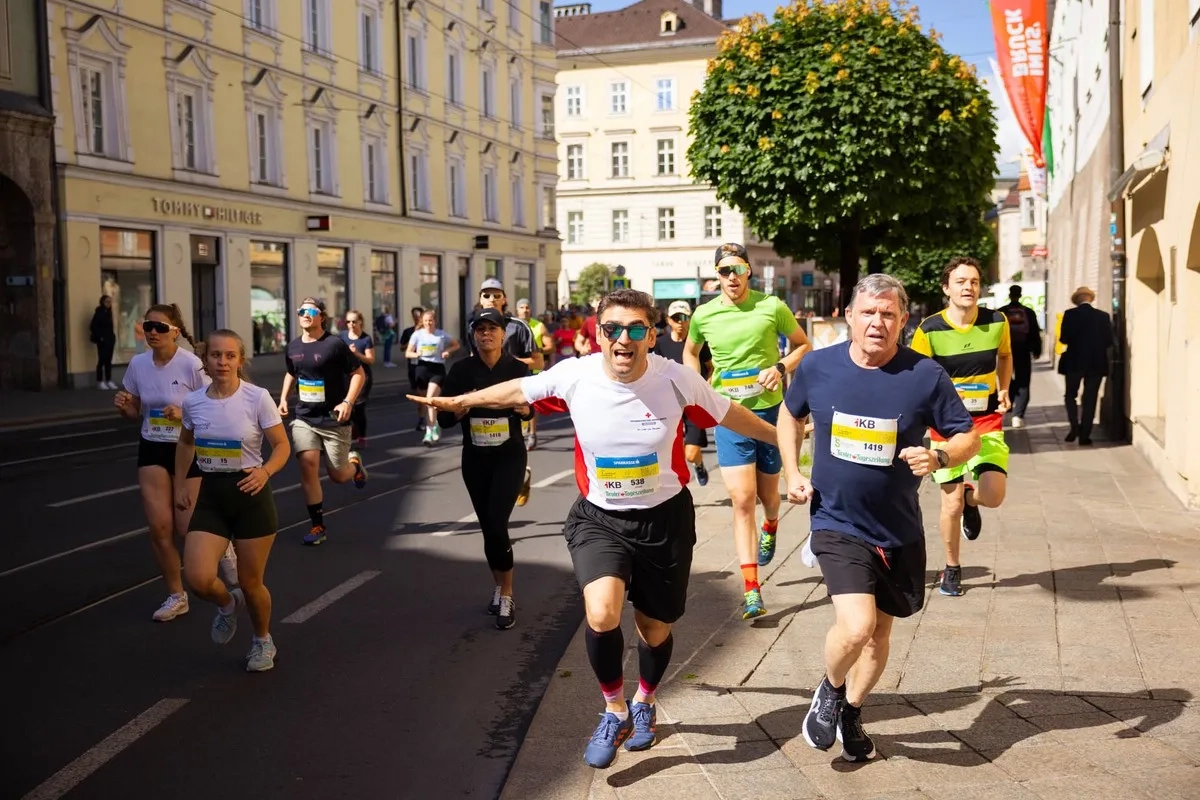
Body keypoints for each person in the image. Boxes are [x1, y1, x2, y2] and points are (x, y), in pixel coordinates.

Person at [409, 289, 779, 769]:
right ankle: (614, 709)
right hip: (599, 518)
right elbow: (518, 390)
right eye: (612, 329)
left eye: (635, 330)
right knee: (601, 613)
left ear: (652, 334)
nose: (623, 339)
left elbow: (732, 414)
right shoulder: (575, 375)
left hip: (664, 518)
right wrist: (460, 400)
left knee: (654, 627)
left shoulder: (677, 380)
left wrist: (787, 436)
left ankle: (645, 700)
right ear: (597, 333)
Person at [778, 274, 980, 762]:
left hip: (898, 529)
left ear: (903, 321)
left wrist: (939, 458)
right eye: (868, 312)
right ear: (849, 316)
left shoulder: (925, 375)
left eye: (888, 314)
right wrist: (791, 471)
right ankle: (828, 692)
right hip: (836, 521)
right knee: (857, 626)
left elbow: (966, 436)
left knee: (880, 635)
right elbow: (790, 416)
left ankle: (851, 710)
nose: (877, 322)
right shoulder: (818, 367)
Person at [684, 243, 812, 620]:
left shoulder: (771, 306)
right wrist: (698, 384)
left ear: (748, 272)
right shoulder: (704, 315)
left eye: (738, 270)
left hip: (771, 414)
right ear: (716, 276)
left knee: (770, 496)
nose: (732, 278)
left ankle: (771, 524)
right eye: (724, 271)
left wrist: (781, 366)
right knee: (742, 499)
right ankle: (752, 589)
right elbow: (691, 352)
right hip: (728, 414)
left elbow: (803, 345)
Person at [175, 329, 290, 672]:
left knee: (252, 582)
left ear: (240, 361)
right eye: (215, 355)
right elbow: (185, 442)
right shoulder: (194, 401)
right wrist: (182, 482)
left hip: (250, 495)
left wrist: (265, 472)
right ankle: (227, 604)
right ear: (205, 360)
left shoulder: (257, 398)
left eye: (229, 356)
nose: (222, 362)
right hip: (211, 495)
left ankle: (262, 640)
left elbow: (282, 446)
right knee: (197, 579)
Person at [114, 304, 236, 621]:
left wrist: (184, 414)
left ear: (175, 333)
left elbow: (214, 405)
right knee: (159, 528)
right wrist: (124, 406)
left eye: (161, 328)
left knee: (187, 527)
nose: (153, 332)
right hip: (152, 446)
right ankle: (176, 595)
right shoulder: (138, 365)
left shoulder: (192, 365)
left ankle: (223, 546)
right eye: (148, 326)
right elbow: (133, 412)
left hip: (187, 449)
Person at [910, 257, 1012, 597]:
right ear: (946, 288)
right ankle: (952, 569)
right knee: (949, 505)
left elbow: (1005, 356)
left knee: (994, 496)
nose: (968, 287)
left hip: (986, 422)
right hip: (946, 429)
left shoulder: (997, 322)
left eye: (974, 282)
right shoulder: (929, 329)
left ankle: (974, 498)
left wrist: (1005, 387)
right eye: (960, 282)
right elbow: (917, 376)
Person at [435, 308, 533, 630]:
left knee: (496, 522)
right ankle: (498, 585)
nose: (486, 334)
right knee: (489, 528)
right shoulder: (462, 371)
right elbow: (445, 420)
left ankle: (507, 592)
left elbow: (530, 410)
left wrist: (522, 408)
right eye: (480, 330)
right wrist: (462, 406)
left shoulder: (517, 370)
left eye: (492, 329)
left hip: (509, 457)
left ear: (504, 334)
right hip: (475, 458)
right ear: (473, 335)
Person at [279, 297, 369, 546]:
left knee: (338, 476)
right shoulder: (293, 346)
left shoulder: (334, 344)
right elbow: (291, 373)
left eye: (311, 310)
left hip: (333, 418)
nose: (305, 314)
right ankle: (317, 525)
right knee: (308, 466)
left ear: (322, 317)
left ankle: (355, 466)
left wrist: (348, 402)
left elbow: (358, 374)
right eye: (301, 310)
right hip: (305, 417)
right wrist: (284, 398)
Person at [468, 278, 543, 504]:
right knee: (488, 445)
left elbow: (538, 362)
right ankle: (513, 478)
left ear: (505, 299)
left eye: (496, 295)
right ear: (480, 299)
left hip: (515, 393)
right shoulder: (474, 326)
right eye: (486, 295)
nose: (491, 299)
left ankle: (519, 475)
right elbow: (474, 358)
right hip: (487, 393)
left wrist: (505, 361)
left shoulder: (519, 326)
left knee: (512, 444)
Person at [652, 300, 714, 485]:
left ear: (690, 320)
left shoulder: (697, 343)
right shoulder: (659, 344)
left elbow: (711, 368)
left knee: (691, 453)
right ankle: (677, 487)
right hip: (668, 403)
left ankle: (699, 465)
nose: (680, 322)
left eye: (684, 317)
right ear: (669, 320)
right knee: (671, 450)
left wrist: (706, 383)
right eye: (676, 318)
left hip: (693, 402)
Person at [1058, 285, 1113, 446]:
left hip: (1074, 362)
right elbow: (1109, 341)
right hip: (1096, 363)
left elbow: (1064, 339)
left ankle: (1074, 427)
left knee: (1070, 396)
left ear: (1077, 300)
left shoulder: (1069, 315)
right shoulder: (1103, 316)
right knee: (1090, 398)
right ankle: (1085, 434)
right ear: (1090, 299)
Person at [405, 309, 461, 445]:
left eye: (430, 320)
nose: (428, 323)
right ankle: (434, 423)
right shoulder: (417, 335)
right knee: (425, 402)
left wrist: (447, 351)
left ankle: (429, 433)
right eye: (425, 321)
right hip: (422, 369)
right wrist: (417, 354)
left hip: (437, 369)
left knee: (430, 401)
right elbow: (408, 353)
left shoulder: (441, 335)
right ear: (422, 322)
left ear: (435, 321)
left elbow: (456, 344)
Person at [998, 285, 1043, 427]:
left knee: (1006, 380)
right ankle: (1018, 416)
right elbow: (1035, 331)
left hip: (1005, 352)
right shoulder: (1028, 312)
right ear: (1020, 295)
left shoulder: (1002, 312)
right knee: (1023, 381)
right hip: (1023, 350)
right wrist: (1037, 350)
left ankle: (1008, 408)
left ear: (1010, 295)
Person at [516, 298, 554, 450]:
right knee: (515, 402)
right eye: (522, 307)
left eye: (527, 307)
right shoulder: (511, 326)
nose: (525, 310)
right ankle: (517, 433)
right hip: (516, 368)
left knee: (531, 402)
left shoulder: (539, 326)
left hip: (534, 369)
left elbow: (550, 346)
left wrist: (538, 351)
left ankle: (532, 433)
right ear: (517, 310)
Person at [340, 310, 375, 449]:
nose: (351, 324)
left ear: (360, 321)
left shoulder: (365, 339)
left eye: (354, 321)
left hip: (363, 377)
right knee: (347, 406)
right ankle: (351, 432)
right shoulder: (342, 336)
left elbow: (371, 360)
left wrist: (356, 354)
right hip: (346, 377)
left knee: (358, 408)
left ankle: (362, 437)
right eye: (348, 321)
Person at [399, 306, 424, 429]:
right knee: (418, 395)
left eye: (419, 316)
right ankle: (422, 416)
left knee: (425, 394)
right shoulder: (408, 332)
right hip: (413, 366)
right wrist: (413, 337)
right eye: (415, 316)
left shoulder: (429, 331)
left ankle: (425, 419)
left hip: (427, 366)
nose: (417, 319)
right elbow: (402, 348)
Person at [91, 295, 117, 389]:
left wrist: (113, 337)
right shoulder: (99, 313)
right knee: (102, 360)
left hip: (110, 339)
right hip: (102, 340)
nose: (108, 303)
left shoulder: (109, 313)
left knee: (108, 361)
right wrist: (100, 337)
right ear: (102, 302)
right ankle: (100, 380)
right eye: (107, 301)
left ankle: (109, 380)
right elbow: (93, 326)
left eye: (110, 302)